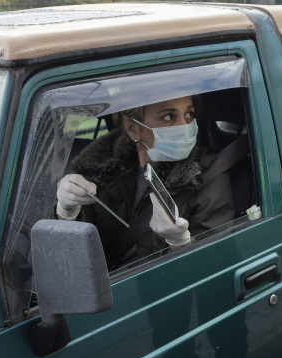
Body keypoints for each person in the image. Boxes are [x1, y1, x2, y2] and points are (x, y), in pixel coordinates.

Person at [55, 95, 235, 270]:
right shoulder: (101, 167)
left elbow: (215, 269)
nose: (184, 125)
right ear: (133, 128)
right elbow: (65, 256)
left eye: (189, 114)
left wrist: (181, 243)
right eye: (168, 116)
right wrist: (67, 214)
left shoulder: (208, 175)